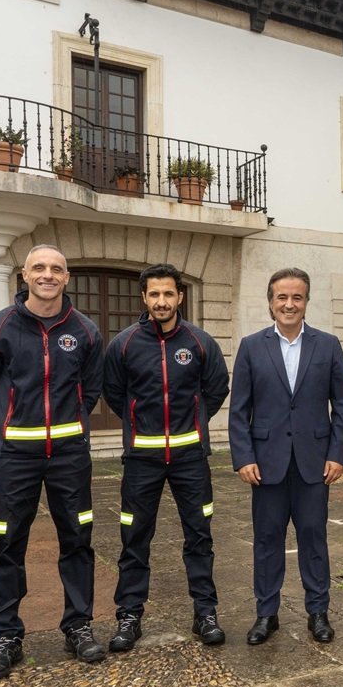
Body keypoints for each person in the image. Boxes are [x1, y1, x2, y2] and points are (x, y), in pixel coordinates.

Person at [0, 245, 106, 679]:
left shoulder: (85, 331)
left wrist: (71, 424)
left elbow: (92, 388)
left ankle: (79, 626)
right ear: (24, 275)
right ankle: (5, 636)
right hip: (14, 456)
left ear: (67, 278)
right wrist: (12, 426)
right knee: (8, 543)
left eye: (57, 269)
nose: (48, 275)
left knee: (78, 540)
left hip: (69, 455)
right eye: (39, 268)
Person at [103, 264, 230, 650]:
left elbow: (217, 388)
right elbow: (114, 393)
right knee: (134, 538)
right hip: (142, 459)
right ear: (144, 298)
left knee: (199, 536)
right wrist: (141, 427)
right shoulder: (122, 345)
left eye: (168, 294)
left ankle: (205, 612)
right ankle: (129, 616)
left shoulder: (200, 341)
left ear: (180, 296)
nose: (161, 301)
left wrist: (193, 422)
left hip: (191, 457)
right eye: (154, 295)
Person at [228, 268, 343, 645]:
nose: (289, 304)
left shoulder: (327, 345)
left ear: (306, 302)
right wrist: (243, 457)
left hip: (315, 462)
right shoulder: (251, 346)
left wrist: (339, 453)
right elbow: (239, 409)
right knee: (267, 540)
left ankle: (318, 612)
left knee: (314, 538)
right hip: (266, 464)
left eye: (296, 297)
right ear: (270, 302)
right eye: (282, 297)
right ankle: (267, 614)